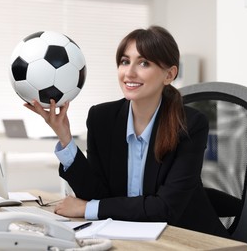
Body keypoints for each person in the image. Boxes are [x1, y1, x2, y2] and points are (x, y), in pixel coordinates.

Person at [24, 25, 229, 238]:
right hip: (130, 236)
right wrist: (64, 137)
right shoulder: (102, 118)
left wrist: (87, 209)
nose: (129, 73)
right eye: (124, 61)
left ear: (169, 74)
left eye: (144, 63)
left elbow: (165, 208)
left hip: (188, 239)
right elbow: (98, 194)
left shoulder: (190, 125)